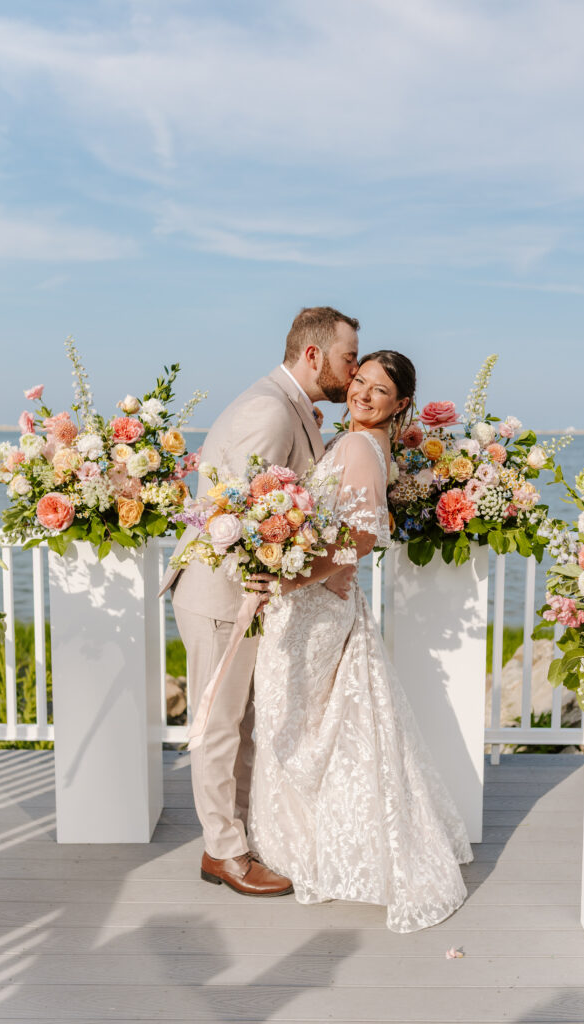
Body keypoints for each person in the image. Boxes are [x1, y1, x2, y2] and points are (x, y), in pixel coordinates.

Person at [247, 351, 473, 932]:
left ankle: (304, 848)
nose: (364, 394)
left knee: (291, 720)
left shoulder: (357, 447)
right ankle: (320, 841)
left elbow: (365, 535)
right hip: (319, 601)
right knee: (318, 724)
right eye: (361, 380)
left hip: (312, 606)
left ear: (401, 405)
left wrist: (289, 575)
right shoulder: (361, 445)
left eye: (381, 391)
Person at [159, 306, 359, 896]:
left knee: (243, 725)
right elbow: (240, 514)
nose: (353, 371)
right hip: (223, 596)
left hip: (245, 598)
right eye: (349, 357)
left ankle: (238, 839)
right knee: (221, 727)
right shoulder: (270, 410)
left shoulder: (290, 405)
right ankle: (224, 854)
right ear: (314, 354)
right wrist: (282, 582)